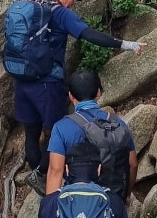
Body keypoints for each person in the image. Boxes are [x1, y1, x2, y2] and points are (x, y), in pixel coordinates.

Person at [4, 0, 143, 195]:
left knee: (31, 133)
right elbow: (89, 34)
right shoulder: (60, 13)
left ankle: (39, 176)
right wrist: (127, 44)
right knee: (59, 131)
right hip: (48, 84)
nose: (72, 5)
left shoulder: (30, 6)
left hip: (22, 81)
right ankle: (42, 176)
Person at [44, 68, 137, 200]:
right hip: (113, 198)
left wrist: (50, 208)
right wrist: (125, 196)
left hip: (78, 203)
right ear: (98, 93)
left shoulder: (61, 128)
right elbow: (132, 163)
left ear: (70, 96)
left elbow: (55, 171)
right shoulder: (118, 124)